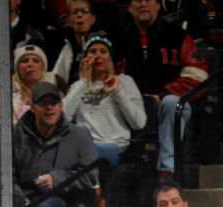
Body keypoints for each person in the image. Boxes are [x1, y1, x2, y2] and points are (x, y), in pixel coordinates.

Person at [7, 82, 99, 207]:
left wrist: (57, 179)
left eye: (54, 102)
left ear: (61, 106)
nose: (49, 107)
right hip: (23, 198)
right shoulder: (15, 135)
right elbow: (1, 174)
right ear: (32, 107)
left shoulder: (78, 136)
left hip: (63, 201)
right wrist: (19, 203)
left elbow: (90, 175)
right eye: (43, 103)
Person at [116, 0, 208, 175]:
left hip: (168, 107)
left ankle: (167, 170)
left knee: (172, 103)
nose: (143, 4)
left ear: (158, 5)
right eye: (137, 0)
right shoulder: (120, 40)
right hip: (131, 109)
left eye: (149, 0)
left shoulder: (177, 36)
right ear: (128, 7)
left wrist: (161, 96)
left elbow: (198, 75)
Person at [62, 33, 146, 167]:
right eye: (92, 51)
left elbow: (139, 123)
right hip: (84, 147)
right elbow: (62, 118)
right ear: (85, 58)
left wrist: (117, 91)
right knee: (79, 130)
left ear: (110, 57)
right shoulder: (77, 86)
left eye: (103, 51)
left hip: (115, 147)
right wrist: (84, 82)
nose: (98, 56)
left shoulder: (125, 81)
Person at [0, 44, 54, 145]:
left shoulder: (54, 94)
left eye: (36, 60)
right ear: (17, 67)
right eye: (24, 61)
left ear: (43, 67)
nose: (30, 64)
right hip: (6, 143)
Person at [52, 0, 98, 89]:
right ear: (68, 20)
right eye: (74, 12)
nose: (79, 15)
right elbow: (56, 76)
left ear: (93, 19)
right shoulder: (66, 45)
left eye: (84, 11)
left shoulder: (99, 46)